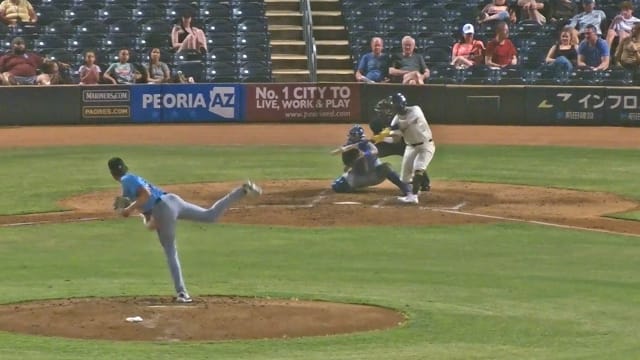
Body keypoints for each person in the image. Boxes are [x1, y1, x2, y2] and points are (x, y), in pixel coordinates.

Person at [107, 157, 262, 303]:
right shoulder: (131, 183)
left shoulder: (126, 180)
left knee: (170, 251)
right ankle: (241, 191)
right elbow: (149, 218)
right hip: (173, 201)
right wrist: (137, 214)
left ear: (113, 174)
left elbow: (145, 196)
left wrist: (129, 210)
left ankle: (182, 292)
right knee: (210, 215)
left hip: (163, 208)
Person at [376, 93, 435, 205]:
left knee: (418, 168)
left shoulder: (415, 110)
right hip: (410, 147)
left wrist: (388, 130)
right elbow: (395, 140)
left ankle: (413, 196)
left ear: (399, 106)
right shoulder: (396, 119)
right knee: (404, 179)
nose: (391, 109)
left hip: (425, 146)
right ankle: (414, 191)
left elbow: (406, 123)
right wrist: (382, 139)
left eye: (392, 106)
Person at [330, 125, 410, 196]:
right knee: (337, 186)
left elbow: (375, 151)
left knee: (386, 167)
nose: (351, 138)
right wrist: (353, 161)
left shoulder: (367, 144)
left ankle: (407, 189)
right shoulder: (349, 149)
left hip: (374, 175)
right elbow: (347, 167)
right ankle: (358, 187)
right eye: (351, 136)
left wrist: (365, 154)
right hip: (358, 177)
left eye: (353, 136)